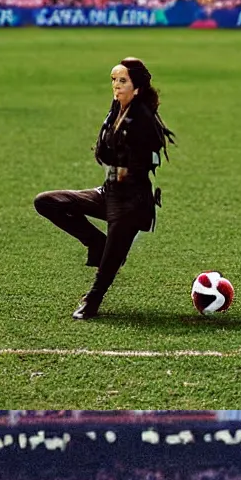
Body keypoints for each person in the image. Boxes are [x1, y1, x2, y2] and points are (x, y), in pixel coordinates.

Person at [34, 57, 175, 320]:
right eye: (114, 80)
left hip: (132, 201)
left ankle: (93, 299)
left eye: (123, 81)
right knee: (47, 202)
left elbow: (151, 152)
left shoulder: (143, 118)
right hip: (108, 191)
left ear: (137, 88)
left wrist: (128, 168)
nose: (116, 86)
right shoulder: (117, 108)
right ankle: (96, 241)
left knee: (112, 258)